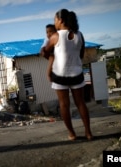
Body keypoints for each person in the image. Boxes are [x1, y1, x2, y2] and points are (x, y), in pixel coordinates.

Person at [41, 9, 93, 140]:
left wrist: (49, 56)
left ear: (61, 20)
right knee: (81, 103)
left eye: (55, 20)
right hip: (77, 74)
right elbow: (81, 55)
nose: (55, 23)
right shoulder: (80, 35)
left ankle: (72, 134)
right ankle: (88, 133)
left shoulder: (55, 36)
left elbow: (45, 52)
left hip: (60, 75)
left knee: (64, 105)